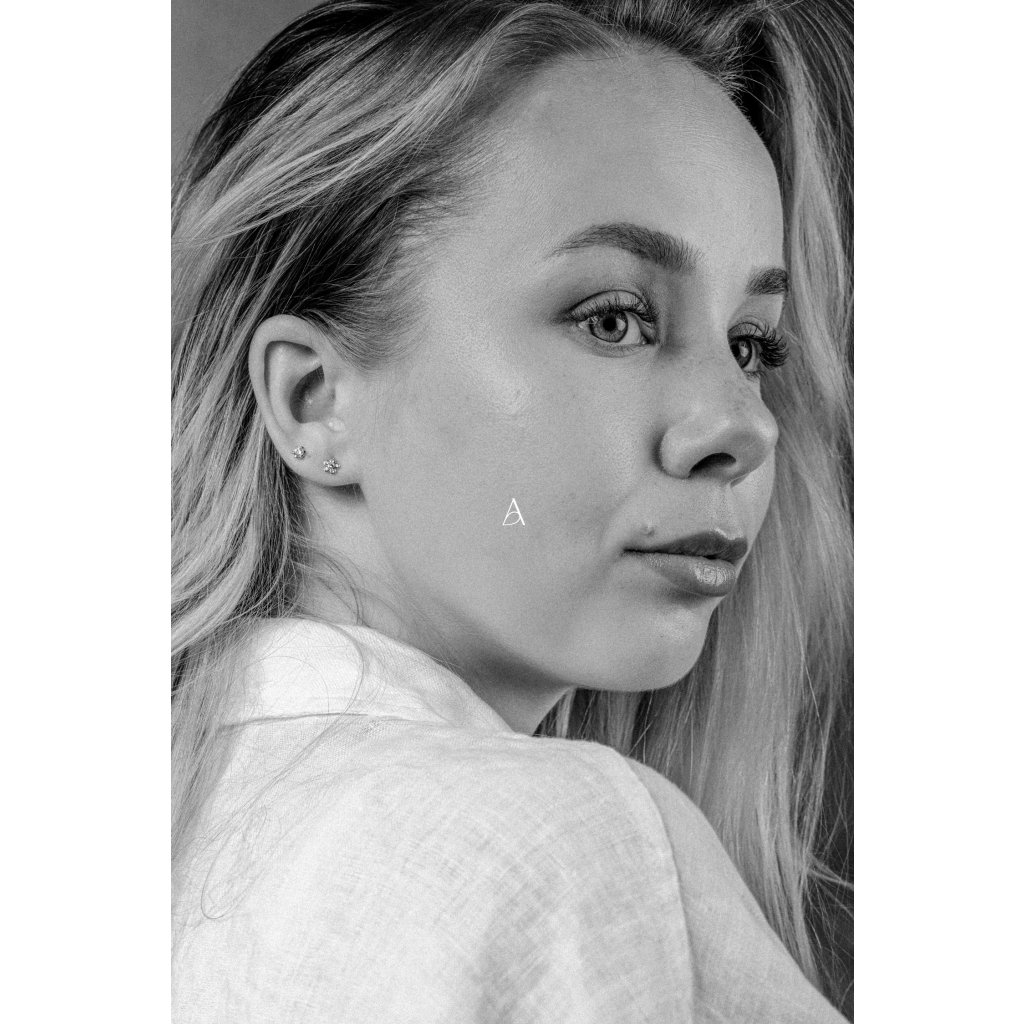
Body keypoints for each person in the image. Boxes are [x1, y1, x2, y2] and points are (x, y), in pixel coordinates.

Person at [171, 0, 853, 1020]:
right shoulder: (568, 844)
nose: (744, 427)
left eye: (752, 344)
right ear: (313, 398)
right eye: (613, 319)